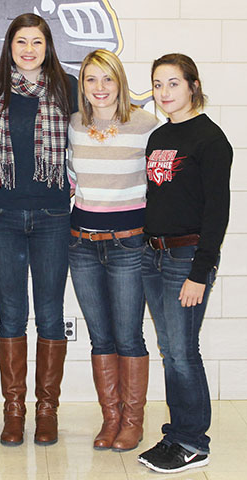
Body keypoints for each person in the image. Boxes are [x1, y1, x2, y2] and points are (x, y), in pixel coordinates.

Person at [0, 13, 77, 446]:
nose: (29, 50)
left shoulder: (67, 89)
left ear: (48, 46)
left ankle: (47, 408)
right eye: (21, 41)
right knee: (11, 314)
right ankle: (14, 409)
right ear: (10, 46)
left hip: (54, 217)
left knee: (52, 313)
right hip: (3, 216)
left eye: (37, 42)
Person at [138, 53, 232, 473]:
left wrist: (200, 271)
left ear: (193, 85)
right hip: (152, 254)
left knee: (182, 352)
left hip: (186, 257)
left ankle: (192, 442)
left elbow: (218, 213)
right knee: (170, 350)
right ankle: (178, 433)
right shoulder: (158, 137)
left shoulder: (210, 140)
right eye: (158, 84)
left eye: (173, 84)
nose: (164, 93)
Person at [67, 49, 159, 452]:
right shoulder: (73, 125)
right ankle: (111, 420)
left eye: (107, 79)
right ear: (82, 85)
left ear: (120, 82)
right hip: (82, 244)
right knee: (100, 336)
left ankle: (133, 422)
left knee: (128, 336)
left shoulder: (145, 125)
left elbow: (162, 185)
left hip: (129, 244)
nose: (99, 88)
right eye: (91, 79)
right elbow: (71, 179)